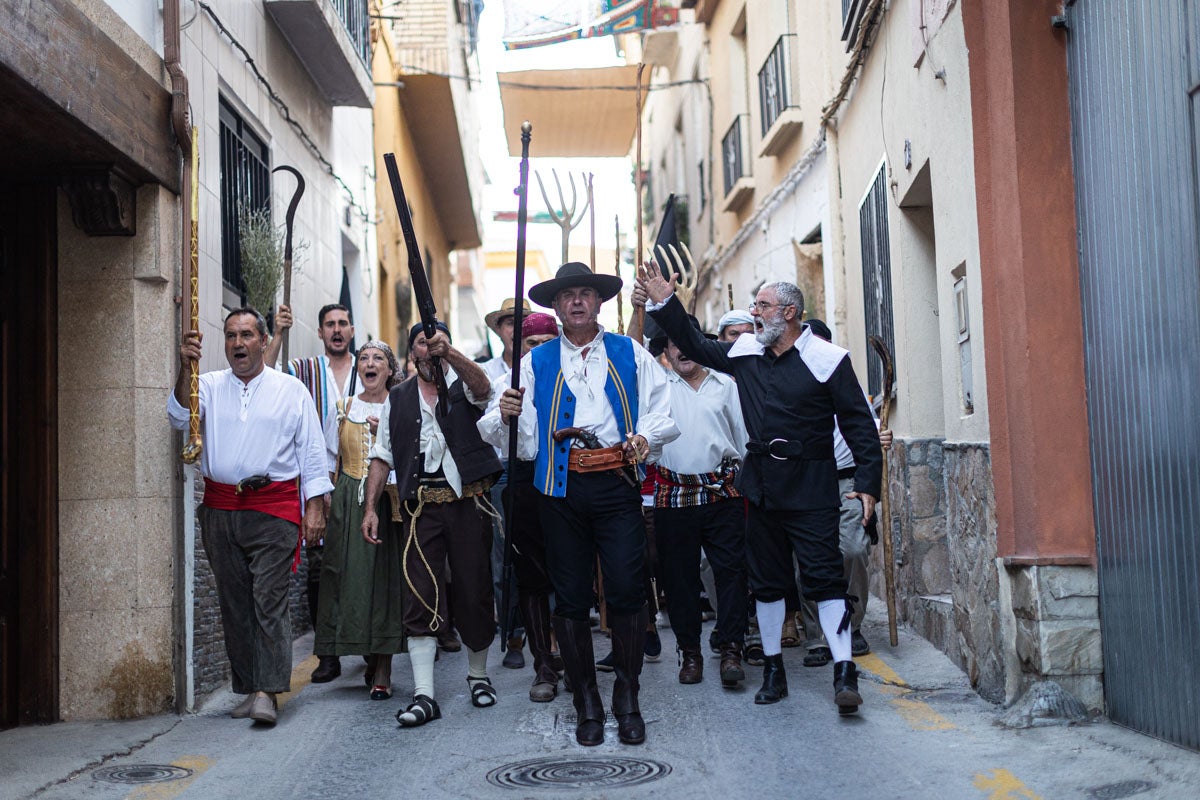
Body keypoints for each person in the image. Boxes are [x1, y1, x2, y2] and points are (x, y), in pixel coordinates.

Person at [635, 269, 881, 715]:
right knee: (767, 586)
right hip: (761, 489)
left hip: (812, 488)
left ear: (789, 313)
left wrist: (867, 485)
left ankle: (844, 671)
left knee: (825, 583)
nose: (754, 312)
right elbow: (695, 346)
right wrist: (666, 302)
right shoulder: (746, 351)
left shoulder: (829, 359)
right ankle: (773, 668)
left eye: (762, 306)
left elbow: (859, 424)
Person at [493, 262, 679, 747]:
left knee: (626, 590)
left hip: (617, 486)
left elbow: (664, 412)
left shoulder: (630, 352)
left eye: (586, 294)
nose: (577, 301)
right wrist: (505, 414)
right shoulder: (534, 362)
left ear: (600, 303)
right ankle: (586, 702)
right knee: (571, 597)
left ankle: (628, 695)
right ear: (555, 306)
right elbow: (516, 437)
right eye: (568, 295)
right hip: (559, 491)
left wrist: (643, 438)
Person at [168, 308, 333, 725]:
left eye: (245, 335)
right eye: (230, 336)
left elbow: (311, 450)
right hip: (220, 509)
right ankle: (248, 687)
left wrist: (314, 506)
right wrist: (186, 367)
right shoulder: (206, 385)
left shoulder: (290, 390)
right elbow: (176, 416)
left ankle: (268, 690)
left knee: (269, 599)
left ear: (263, 340)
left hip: (273, 509)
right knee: (234, 603)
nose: (237, 344)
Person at [361, 322, 501, 728]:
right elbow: (382, 455)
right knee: (419, 595)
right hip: (421, 509)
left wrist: (452, 352)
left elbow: (487, 389)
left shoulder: (465, 383)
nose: (430, 349)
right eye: (423, 343)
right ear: (412, 354)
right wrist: (371, 507)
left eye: (436, 342)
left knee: (474, 590)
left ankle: (478, 676)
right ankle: (425, 694)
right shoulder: (398, 398)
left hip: (468, 503)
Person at [651, 316, 750, 688]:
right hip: (673, 495)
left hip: (722, 493)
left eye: (686, 341)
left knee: (731, 574)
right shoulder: (657, 389)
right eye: (673, 343)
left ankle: (731, 649)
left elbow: (742, 443)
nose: (681, 349)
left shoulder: (726, 386)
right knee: (678, 581)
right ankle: (689, 653)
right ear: (665, 352)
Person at [795, 319, 892, 666]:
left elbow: (865, 426)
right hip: (806, 483)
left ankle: (851, 623)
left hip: (847, 482)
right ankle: (817, 635)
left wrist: (880, 434)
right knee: (807, 560)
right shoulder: (792, 387)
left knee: (852, 550)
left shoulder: (843, 379)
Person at [268, 302, 356, 683]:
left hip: (363, 479)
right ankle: (329, 654)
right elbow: (266, 376)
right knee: (322, 573)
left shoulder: (371, 366)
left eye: (342, 323)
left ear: (352, 330)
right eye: (329, 325)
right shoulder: (302, 371)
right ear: (320, 333)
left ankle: (372, 651)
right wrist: (277, 334)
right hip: (318, 485)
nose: (336, 330)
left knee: (364, 567)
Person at [312, 341, 406, 699]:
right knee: (344, 579)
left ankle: (382, 665)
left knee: (382, 583)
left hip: (388, 501)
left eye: (378, 358)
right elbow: (325, 458)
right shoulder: (343, 408)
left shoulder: (400, 407)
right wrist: (321, 503)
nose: (369, 363)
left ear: (389, 369)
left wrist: (386, 433)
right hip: (347, 501)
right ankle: (341, 651)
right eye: (364, 358)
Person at [477, 312, 562, 702]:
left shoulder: (572, 376)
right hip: (525, 479)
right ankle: (542, 662)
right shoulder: (506, 382)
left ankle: (570, 656)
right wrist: (504, 413)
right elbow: (489, 429)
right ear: (519, 346)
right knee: (531, 577)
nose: (540, 350)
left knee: (569, 573)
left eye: (548, 342)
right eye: (533, 344)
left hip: (568, 479)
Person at [481, 297, 533, 667]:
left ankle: (550, 636)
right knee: (503, 558)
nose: (516, 328)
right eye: (509, 322)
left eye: (523, 322)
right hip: (500, 472)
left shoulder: (548, 363)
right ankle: (513, 635)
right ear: (499, 329)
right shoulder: (486, 374)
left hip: (542, 468)